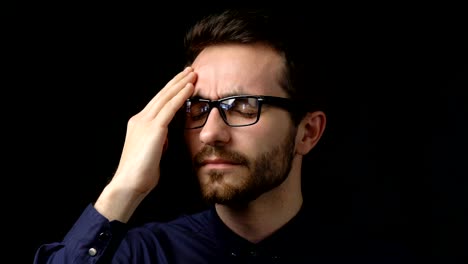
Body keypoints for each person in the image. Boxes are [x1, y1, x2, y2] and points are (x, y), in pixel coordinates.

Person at [33, 8, 413, 263]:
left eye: (244, 106)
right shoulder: (142, 254)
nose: (211, 133)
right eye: (198, 108)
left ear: (307, 133)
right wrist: (123, 189)